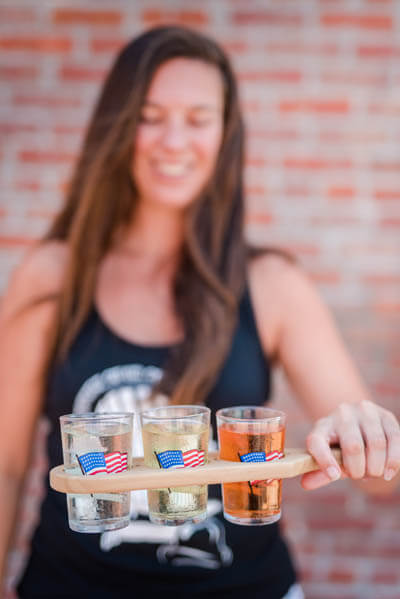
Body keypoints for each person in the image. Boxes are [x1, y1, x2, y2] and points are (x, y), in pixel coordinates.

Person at [0, 25, 399, 599]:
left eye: (197, 118)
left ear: (225, 134)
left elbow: (387, 480)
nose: (173, 140)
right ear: (118, 126)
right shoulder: (52, 276)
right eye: (151, 115)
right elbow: (8, 465)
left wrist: (370, 439)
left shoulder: (273, 284)